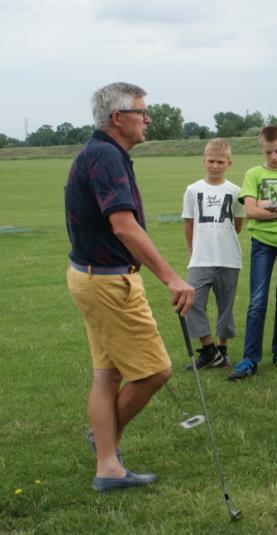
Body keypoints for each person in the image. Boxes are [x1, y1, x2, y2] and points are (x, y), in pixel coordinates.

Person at [65, 82, 195, 492]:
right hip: (108, 281)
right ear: (117, 117)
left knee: (108, 374)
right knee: (155, 371)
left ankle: (107, 462)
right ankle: (106, 450)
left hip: (90, 276)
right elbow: (123, 224)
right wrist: (172, 277)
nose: (148, 119)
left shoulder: (100, 152)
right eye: (141, 111)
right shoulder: (105, 156)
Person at [228, 125, 277, 380]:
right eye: (268, 152)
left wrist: (270, 204)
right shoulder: (253, 173)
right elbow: (250, 211)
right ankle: (250, 359)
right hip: (262, 242)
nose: (274, 157)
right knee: (257, 300)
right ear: (261, 149)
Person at [181, 138, 245, 370]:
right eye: (211, 161)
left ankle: (222, 351)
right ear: (203, 161)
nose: (215, 165)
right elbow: (188, 222)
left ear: (229, 163)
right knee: (191, 302)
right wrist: (192, 248)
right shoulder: (193, 190)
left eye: (220, 161)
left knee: (225, 307)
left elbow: (237, 225)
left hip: (228, 258)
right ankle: (208, 350)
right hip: (200, 258)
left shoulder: (236, 191)